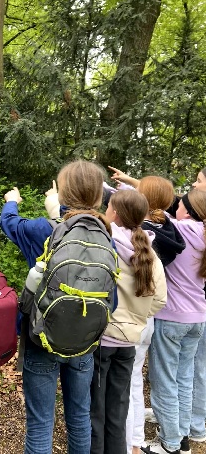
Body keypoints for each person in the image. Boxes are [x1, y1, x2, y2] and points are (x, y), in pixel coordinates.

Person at [0, 159, 111, 454]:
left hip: (42, 338)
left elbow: (7, 223)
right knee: (79, 417)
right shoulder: (105, 234)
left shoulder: (42, 230)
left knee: (40, 423)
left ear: (62, 195)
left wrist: (12, 201)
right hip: (86, 340)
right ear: (100, 196)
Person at [90, 190, 167, 454]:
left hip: (102, 341)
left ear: (116, 214)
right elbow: (160, 300)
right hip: (128, 343)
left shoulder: (105, 244)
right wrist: (137, 318)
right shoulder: (149, 252)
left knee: (96, 411)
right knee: (118, 409)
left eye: (109, 206)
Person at [142, 190, 206, 454]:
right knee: (185, 377)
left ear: (187, 212)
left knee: (165, 380)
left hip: (171, 318)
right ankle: (182, 435)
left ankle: (170, 444)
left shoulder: (176, 230)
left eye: (179, 205)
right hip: (198, 318)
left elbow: (150, 216)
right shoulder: (203, 233)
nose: (175, 207)